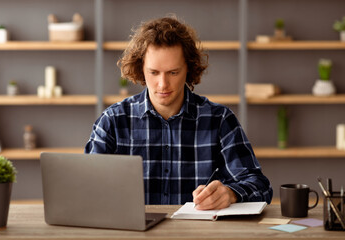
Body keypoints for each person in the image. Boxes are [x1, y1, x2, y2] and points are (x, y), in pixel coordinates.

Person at [85, 16, 273, 210]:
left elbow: (261, 187)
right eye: (154, 72)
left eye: (173, 72)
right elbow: (86, 188)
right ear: (141, 69)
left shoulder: (220, 120)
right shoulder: (113, 121)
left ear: (188, 69)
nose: (163, 84)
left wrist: (231, 194)